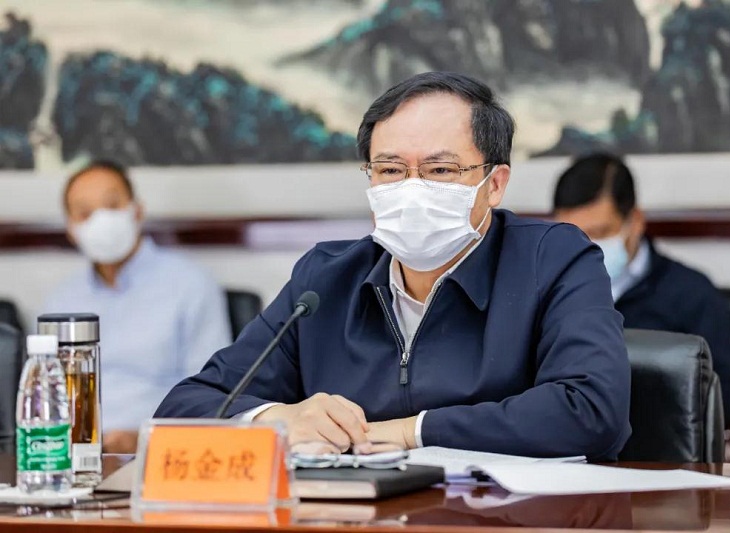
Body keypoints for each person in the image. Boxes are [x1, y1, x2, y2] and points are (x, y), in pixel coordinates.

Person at [155, 72, 631, 459]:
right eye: (390, 170)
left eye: (440, 170)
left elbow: (591, 410)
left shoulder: (553, 258)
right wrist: (280, 418)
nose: (412, 189)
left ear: (494, 183)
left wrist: (407, 432)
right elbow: (184, 407)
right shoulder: (325, 277)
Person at [43, 160, 231, 453]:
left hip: (161, 452)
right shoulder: (61, 299)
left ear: (137, 211)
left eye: (112, 205)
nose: (101, 220)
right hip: (73, 455)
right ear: (71, 229)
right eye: (85, 213)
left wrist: (144, 437)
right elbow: (47, 392)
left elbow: (213, 395)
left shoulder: (190, 285)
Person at [552, 152, 730, 428]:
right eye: (572, 235)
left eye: (601, 232)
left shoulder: (692, 294)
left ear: (636, 221)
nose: (586, 246)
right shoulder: (546, 293)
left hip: (660, 446)